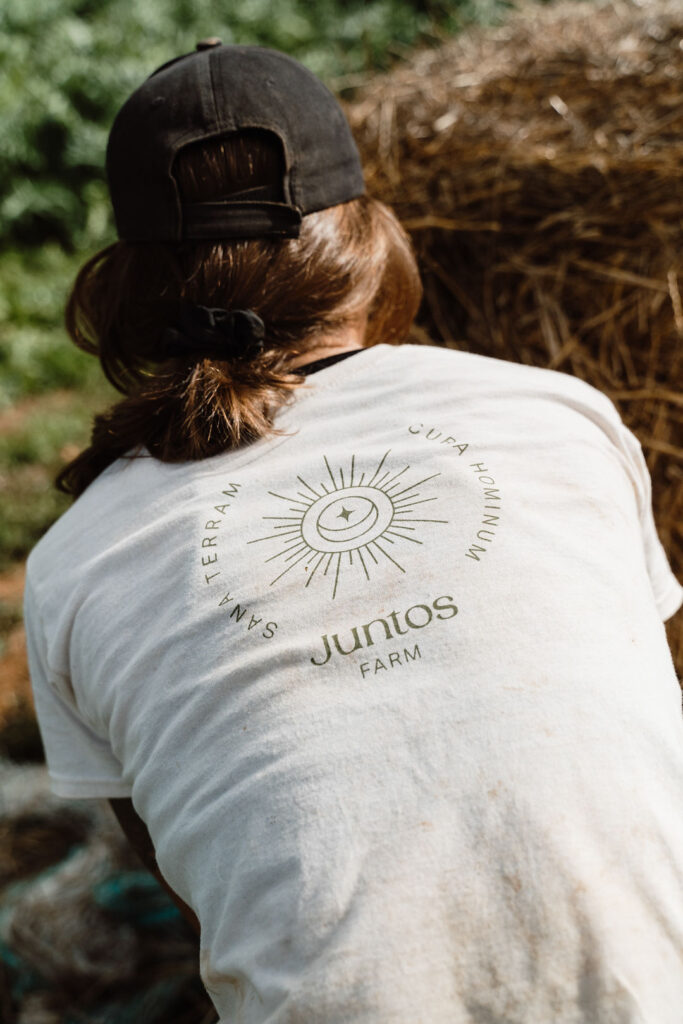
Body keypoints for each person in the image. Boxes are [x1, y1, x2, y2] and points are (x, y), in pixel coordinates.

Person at [24, 39, 683, 1024]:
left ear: (128, 284)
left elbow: (193, 873)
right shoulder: (555, 414)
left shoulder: (73, 564)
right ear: (367, 240)